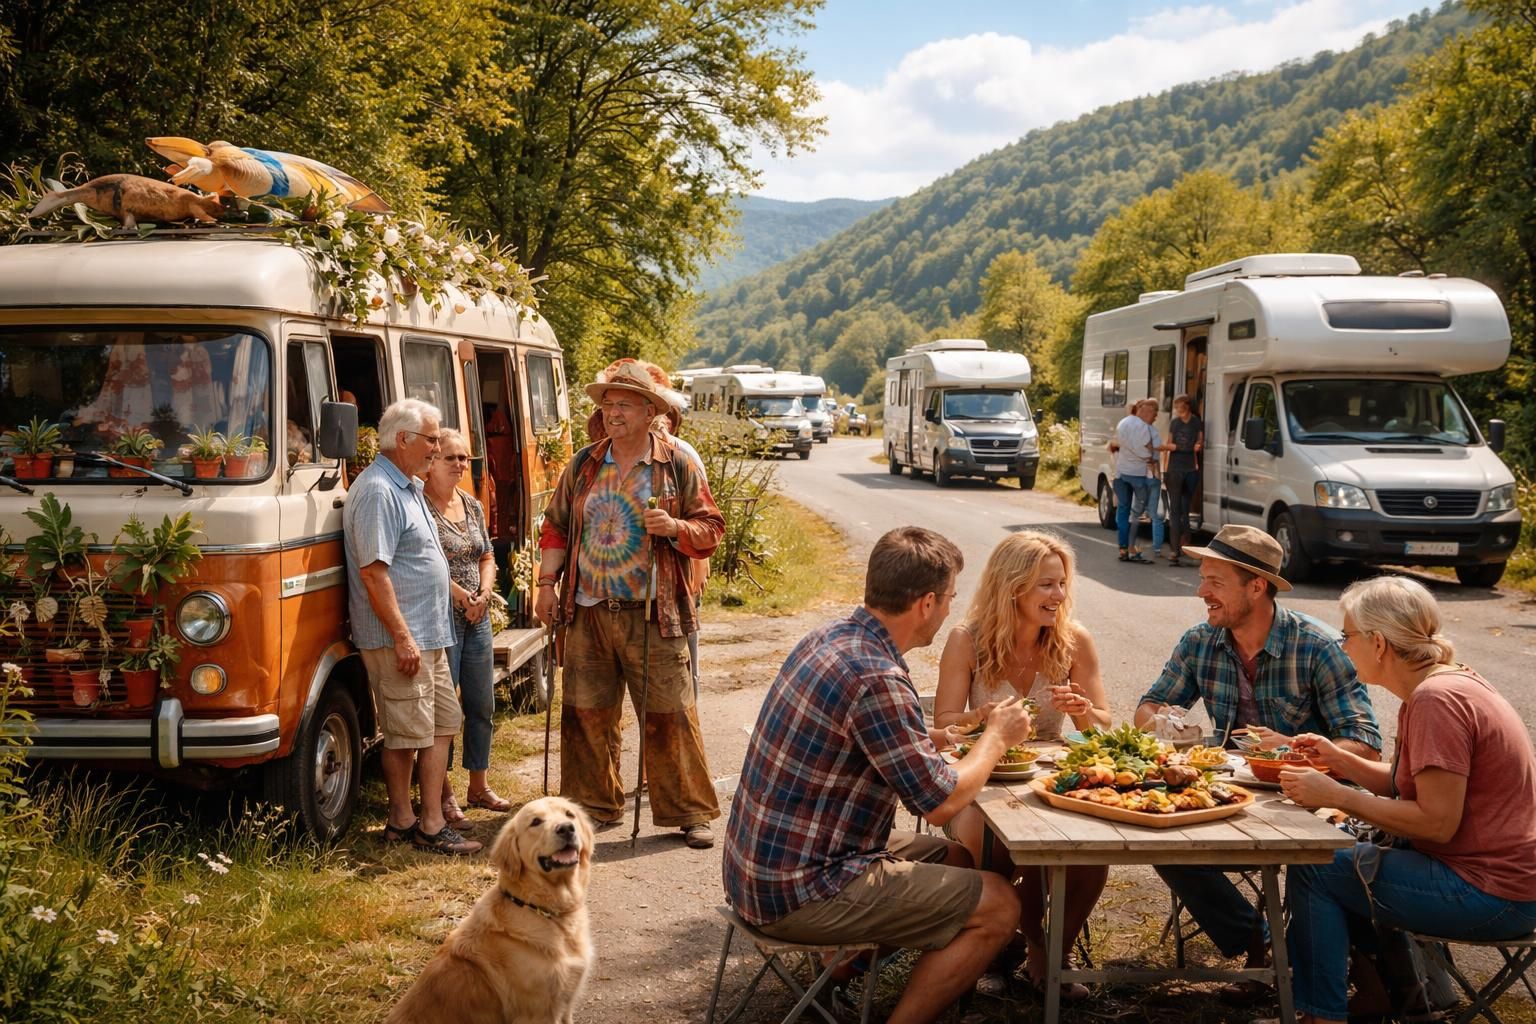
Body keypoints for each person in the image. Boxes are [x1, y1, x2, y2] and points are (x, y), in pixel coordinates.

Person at [723, 527, 1033, 1024]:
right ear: (927, 603)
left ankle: (842, 967)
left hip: (759, 874)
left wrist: (931, 737)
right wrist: (996, 738)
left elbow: (853, 738)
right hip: (801, 891)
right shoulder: (878, 677)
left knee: (956, 858)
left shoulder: (831, 638)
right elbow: (940, 803)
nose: (952, 608)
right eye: (951, 597)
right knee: (999, 904)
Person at [1281, 576, 1536, 1024]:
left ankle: (1321, 1015)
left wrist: (1338, 795)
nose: (1342, 647)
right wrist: (1340, 760)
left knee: (1316, 865)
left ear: (1378, 643)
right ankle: (1381, 995)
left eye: (1347, 637)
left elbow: (1437, 823)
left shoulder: (1437, 700)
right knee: (1343, 851)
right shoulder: (1444, 684)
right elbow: (1409, 788)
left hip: (1493, 894)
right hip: (1504, 882)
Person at [1134, 524, 1381, 987]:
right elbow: (1147, 707)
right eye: (1202, 577)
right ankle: (1262, 944)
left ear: (1256, 586)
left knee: (1325, 859)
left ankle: (1319, 968)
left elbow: (1364, 742)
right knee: (1160, 839)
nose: (1200, 591)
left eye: (1214, 581)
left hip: (1316, 799)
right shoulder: (1199, 641)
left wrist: (1291, 749)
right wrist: (1164, 723)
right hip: (1233, 795)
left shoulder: (1321, 647)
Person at [534, 361, 724, 849]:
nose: (612, 413)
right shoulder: (583, 464)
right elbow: (555, 526)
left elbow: (711, 530)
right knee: (586, 713)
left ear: (648, 411)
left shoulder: (675, 464)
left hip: (653, 611)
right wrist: (547, 584)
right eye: (607, 404)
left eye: (622, 404)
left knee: (670, 713)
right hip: (587, 609)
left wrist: (677, 529)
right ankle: (593, 807)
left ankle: (689, 812)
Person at [934, 530, 1111, 999]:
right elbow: (946, 723)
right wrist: (982, 719)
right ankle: (990, 946)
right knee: (986, 839)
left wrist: (1082, 712)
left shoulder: (1074, 641)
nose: (1059, 596)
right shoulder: (966, 640)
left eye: (1062, 584)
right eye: (1046, 585)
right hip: (982, 774)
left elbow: (1104, 728)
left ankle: (1050, 951)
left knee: (1094, 852)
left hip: (1048, 776)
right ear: (1011, 587)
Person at [343, 398, 481, 855]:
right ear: (403, 440)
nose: (438, 447)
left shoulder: (408, 486)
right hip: (402, 637)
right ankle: (404, 821)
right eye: (432, 439)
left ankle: (431, 819)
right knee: (405, 733)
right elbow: (373, 572)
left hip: (431, 632)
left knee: (441, 726)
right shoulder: (379, 490)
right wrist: (402, 636)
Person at [423, 428, 513, 823]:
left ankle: (479, 786)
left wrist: (485, 593)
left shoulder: (472, 504)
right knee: (443, 713)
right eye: (452, 458)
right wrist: (462, 596)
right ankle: (442, 795)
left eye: (465, 459)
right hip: (442, 618)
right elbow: (426, 564)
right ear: (432, 463)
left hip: (477, 618)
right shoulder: (421, 506)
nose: (460, 465)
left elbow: (488, 554)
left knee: (481, 704)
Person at [1110, 399, 1168, 563]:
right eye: (1154, 413)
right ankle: (1136, 549)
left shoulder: (1124, 424)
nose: (1155, 416)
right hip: (1141, 476)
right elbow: (1148, 451)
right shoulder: (1146, 429)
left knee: (1124, 511)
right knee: (1140, 513)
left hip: (1121, 475)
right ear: (1143, 411)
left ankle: (1124, 548)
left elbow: (1115, 445)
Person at [1164, 394, 1203, 567]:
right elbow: (1169, 443)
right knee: (1174, 509)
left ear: (1187, 406)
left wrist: (1197, 445)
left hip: (1190, 469)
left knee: (1185, 509)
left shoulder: (1195, 422)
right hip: (1175, 468)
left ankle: (1185, 542)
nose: (1178, 410)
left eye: (1180, 406)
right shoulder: (1174, 422)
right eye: (1177, 407)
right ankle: (1174, 550)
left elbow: (1200, 440)